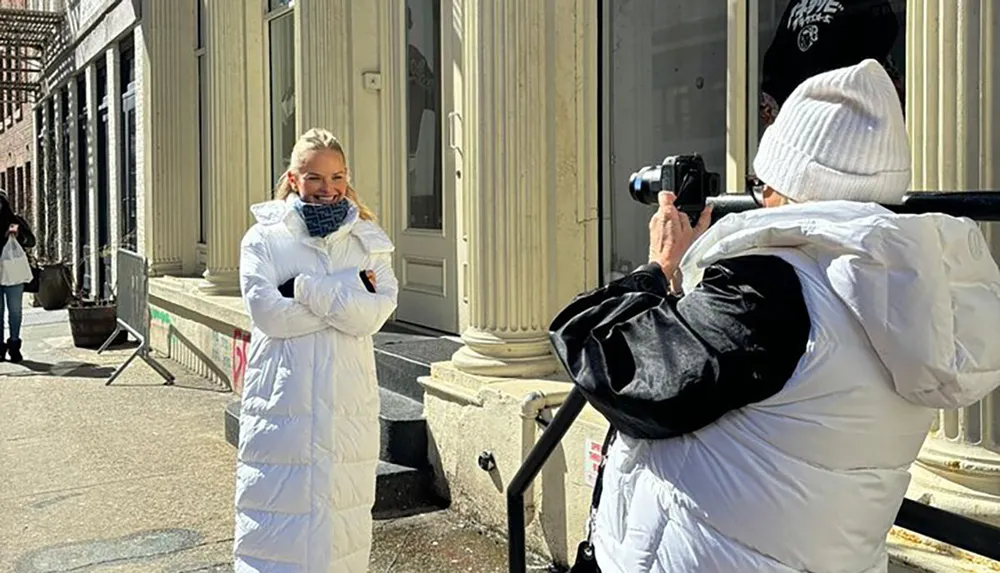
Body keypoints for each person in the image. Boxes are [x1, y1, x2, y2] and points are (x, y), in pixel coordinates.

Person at [550, 59, 1000, 572]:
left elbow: (604, 358)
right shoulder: (915, 294)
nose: (758, 197)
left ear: (793, 184)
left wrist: (657, 268)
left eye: (761, 180)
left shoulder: (765, 291)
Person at [233, 128, 398, 573]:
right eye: (315, 178)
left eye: (337, 176)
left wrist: (303, 287)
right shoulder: (263, 239)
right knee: (275, 529)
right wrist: (347, 293)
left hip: (348, 404)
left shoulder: (368, 240)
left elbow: (375, 313)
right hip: (284, 404)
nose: (328, 189)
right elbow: (270, 315)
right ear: (292, 178)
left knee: (341, 532)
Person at [0, 188, 35, 363]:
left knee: (14, 311)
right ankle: (5, 347)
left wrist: (18, 235)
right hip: (10, 273)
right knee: (7, 311)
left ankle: (13, 346)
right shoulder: (13, 220)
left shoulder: (15, 222)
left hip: (13, 273)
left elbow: (31, 242)